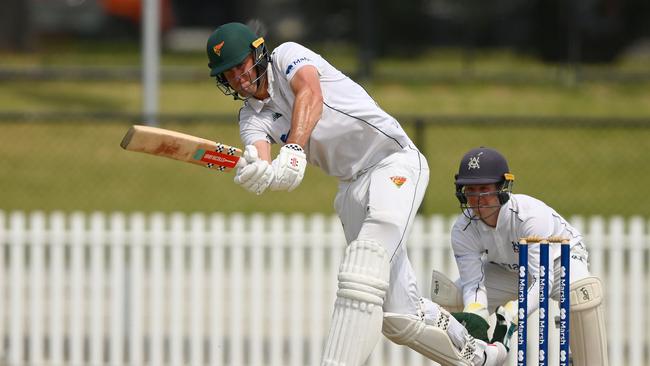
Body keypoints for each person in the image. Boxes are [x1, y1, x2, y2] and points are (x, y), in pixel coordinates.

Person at [205, 22, 507, 366]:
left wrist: (293, 149)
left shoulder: (287, 55)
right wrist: (260, 172)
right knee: (398, 317)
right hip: (351, 187)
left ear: (257, 53)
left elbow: (310, 94)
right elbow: (260, 155)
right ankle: (482, 356)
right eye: (228, 74)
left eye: (241, 66)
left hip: (392, 162)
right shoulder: (250, 117)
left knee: (362, 271)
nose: (239, 79)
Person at [431, 146, 608, 365]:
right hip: (507, 269)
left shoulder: (529, 215)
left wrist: (513, 314)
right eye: (471, 190)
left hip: (558, 262)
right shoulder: (463, 229)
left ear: (502, 188)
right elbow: (473, 286)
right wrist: (475, 314)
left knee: (581, 295)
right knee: (454, 298)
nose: (477, 199)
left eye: (484, 189)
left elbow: (542, 280)